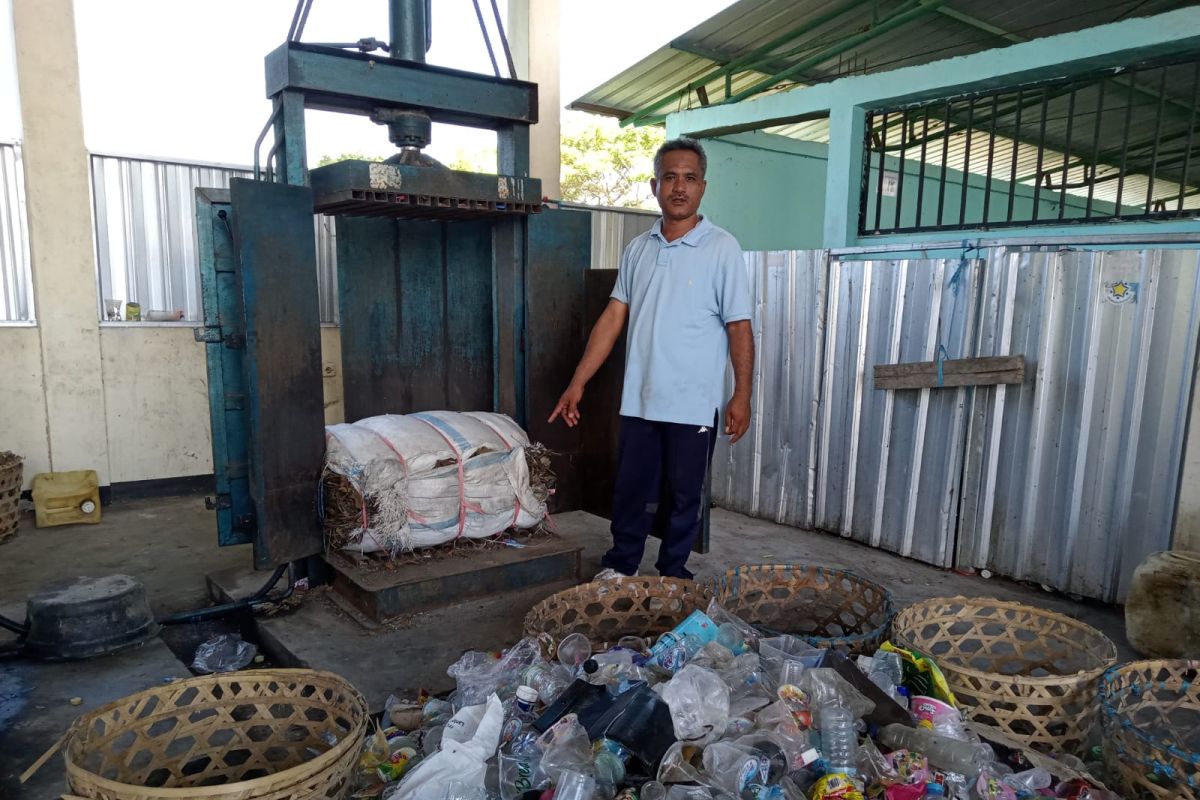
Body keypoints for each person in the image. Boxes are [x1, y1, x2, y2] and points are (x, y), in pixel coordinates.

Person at [548, 137, 754, 580]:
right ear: (653, 185)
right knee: (631, 490)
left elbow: (739, 326)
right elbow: (612, 318)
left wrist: (742, 395)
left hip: (693, 402)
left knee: (684, 496)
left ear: (703, 187)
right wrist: (577, 381)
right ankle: (620, 566)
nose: (679, 187)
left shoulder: (722, 248)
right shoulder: (638, 249)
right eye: (670, 177)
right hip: (641, 399)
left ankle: (673, 573)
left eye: (690, 178)